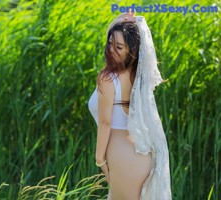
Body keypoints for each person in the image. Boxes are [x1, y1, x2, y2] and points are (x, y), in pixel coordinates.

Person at [88, 12, 172, 200]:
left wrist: (100, 159)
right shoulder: (138, 77)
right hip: (143, 154)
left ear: (131, 51)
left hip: (121, 156)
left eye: (118, 47)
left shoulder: (107, 78)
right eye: (110, 44)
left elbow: (105, 122)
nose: (111, 50)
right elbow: (117, 39)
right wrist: (117, 22)